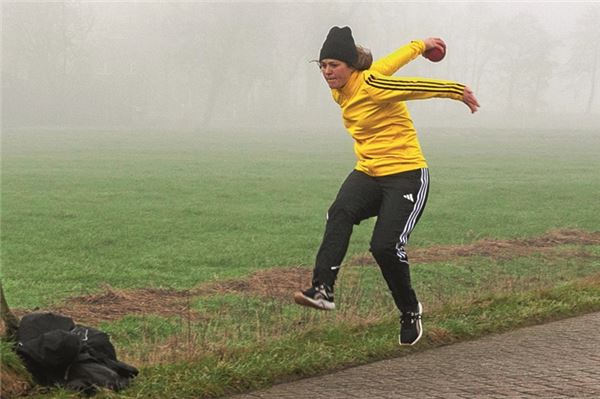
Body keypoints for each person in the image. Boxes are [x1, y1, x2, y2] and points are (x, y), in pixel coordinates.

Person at [293, 26, 480, 346]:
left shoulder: (371, 84)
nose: (327, 72)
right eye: (322, 65)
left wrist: (457, 90)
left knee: (384, 246)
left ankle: (410, 310)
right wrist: (421, 44)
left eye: (333, 65)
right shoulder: (344, 86)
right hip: (368, 172)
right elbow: (394, 60)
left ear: (350, 65)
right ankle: (323, 289)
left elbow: (413, 86)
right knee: (339, 211)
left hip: (406, 174)